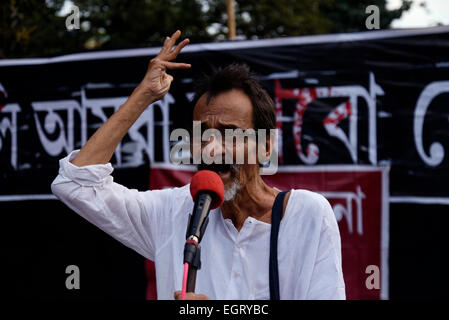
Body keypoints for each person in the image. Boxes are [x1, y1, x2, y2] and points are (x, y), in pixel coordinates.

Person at [51, 30, 345, 300]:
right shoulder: (174, 211)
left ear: (266, 146)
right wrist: (144, 95)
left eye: (230, 133)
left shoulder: (308, 214)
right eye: (203, 135)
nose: (213, 149)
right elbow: (76, 184)